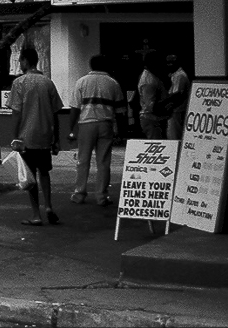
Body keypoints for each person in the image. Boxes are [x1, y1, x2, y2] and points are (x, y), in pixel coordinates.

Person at [9, 47, 63, 226]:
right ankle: (48, 206)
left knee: (30, 177)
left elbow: (16, 113)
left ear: (25, 61)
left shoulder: (19, 83)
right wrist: (57, 138)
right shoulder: (48, 82)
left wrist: (14, 136)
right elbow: (56, 113)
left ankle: (36, 214)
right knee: (44, 172)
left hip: (26, 137)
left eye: (20, 61)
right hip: (45, 136)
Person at [67, 55, 125, 206]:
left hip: (86, 124)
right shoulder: (113, 83)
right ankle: (102, 196)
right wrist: (120, 131)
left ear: (91, 65)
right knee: (104, 161)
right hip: (106, 124)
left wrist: (70, 127)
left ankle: (79, 193)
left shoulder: (81, 82)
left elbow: (74, 107)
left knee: (83, 160)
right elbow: (120, 111)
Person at [138, 51, 171, 140]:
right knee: (157, 144)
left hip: (155, 119)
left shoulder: (153, 76)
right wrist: (168, 104)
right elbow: (151, 106)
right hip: (152, 119)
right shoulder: (149, 81)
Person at [165, 55, 191, 140]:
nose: (169, 65)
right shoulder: (173, 74)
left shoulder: (180, 75)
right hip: (174, 110)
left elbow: (177, 95)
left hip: (177, 110)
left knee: (174, 136)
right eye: (168, 62)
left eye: (172, 62)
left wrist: (167, 106)